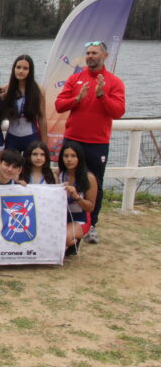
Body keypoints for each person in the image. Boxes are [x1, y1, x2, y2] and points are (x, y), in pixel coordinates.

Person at [55, 41, 125, 244]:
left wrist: (102, 95)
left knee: (95, 184)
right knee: (65, 180)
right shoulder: (75, 78)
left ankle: (91, 224)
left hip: (97, 142)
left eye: (94, 53)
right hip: (73, 140)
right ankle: (63, 218)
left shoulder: (114, 82)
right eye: (88, 53)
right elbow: (59, 105)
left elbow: (118, 112)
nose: (90, 56)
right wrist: (76, 99)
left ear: (105, 56)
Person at [58, 141, 97, 255]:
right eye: (66, 156)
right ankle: (68, 244)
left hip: (80, 219)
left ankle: (73, 241)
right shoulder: (59, 174)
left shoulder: (89, 178)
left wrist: (77, 197)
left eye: (73, 156)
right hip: (60, 218)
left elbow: (90, 208)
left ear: (79, 158)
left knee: (63, 238)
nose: (69, 159)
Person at [2, 54, 47, 152]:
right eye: (18, 67)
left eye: (25, 68)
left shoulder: (38, 90)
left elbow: (42, 117)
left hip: (31, 137)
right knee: (8, 161)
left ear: (30, 71)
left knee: (31, 162)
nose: (21, 71)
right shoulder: (8, 89)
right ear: (14, 69)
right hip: (12, 138)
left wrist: (44, 143)